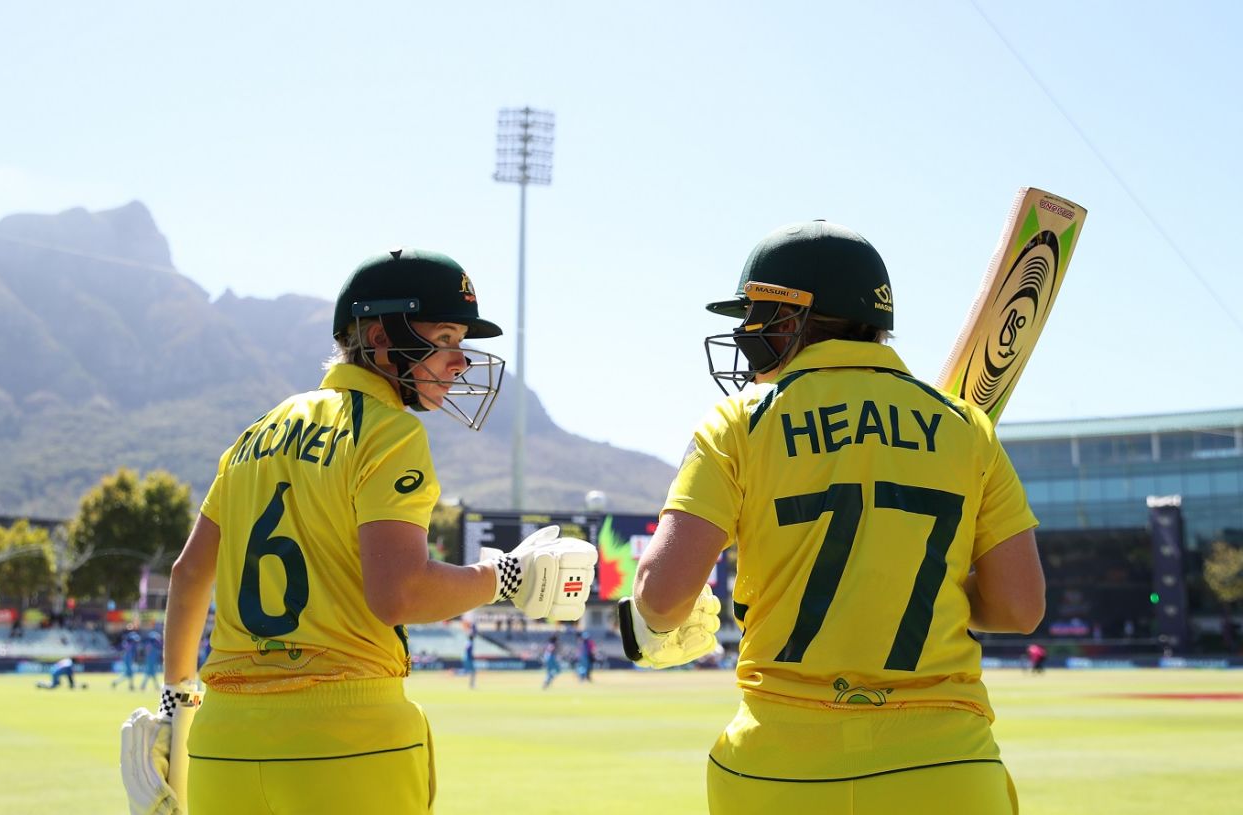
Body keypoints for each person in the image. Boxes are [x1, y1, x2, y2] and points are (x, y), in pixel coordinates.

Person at [119, 248, 596, 815]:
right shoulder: (388, 431)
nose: (459, 361)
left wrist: (176, 703)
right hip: (348, 738)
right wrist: (505, 576)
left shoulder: (254, 435)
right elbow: (400, 593)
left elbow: (189, 572)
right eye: (445, 338)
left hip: (223, 744)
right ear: (380, 338)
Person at [619, 221, 1045, 815]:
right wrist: (905, 575)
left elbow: (661, 598)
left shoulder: (739, 422)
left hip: (777, 769)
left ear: (791, 318)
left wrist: (656, 623)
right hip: (947, 766)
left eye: (755, 316)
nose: (744, 334)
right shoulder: (966, 427)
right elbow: (1019, 607)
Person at [112, 626, 142, 690]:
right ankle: (130, 685)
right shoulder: (129, 640)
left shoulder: (129, 640)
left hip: (129, 658)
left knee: (128, 673)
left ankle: (117, 683)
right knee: (129, 673)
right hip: (128, 659)